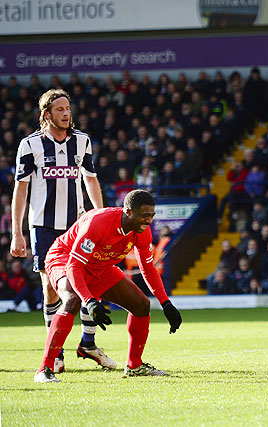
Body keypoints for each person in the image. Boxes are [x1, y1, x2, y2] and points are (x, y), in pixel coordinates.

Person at [10, 88, 112, 373]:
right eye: (60, 109)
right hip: (43, 226)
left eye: (68, 109)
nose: (67, 114)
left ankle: (88, 343)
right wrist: (17, 232)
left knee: (88, 281)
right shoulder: (29, 145)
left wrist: (100, 216)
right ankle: (55, 353)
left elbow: (91, 179)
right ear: (46, 114)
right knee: (51, 290)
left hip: (77, 224)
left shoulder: (82, 141)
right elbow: (21, 189)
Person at [34, 190, 182, 382]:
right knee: (72, 300)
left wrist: (166, 303)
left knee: (142, 305)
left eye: (151, 216)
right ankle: (44, 369)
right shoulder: (98, 223)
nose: (149, 221)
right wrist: (90, 300)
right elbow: (75, 265)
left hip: (100, 266)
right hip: (65, 258)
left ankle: (134, 366)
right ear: (128, 211)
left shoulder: (142, 232)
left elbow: (148, 269)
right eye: (144, 216)